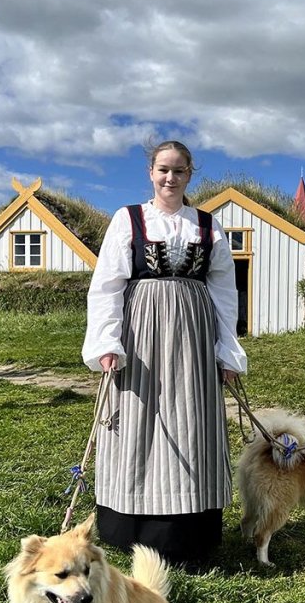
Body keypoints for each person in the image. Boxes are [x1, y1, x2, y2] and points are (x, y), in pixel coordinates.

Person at [81, 140, 247, 565]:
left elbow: (225, 291)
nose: (170, 178)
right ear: (150, 173)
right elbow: (107, 285)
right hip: (141, 338)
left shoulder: (207, 225)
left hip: (193, 336)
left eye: (179, 171)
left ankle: (188, 532)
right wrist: (106, 342)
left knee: (192, 419)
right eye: (163, 170)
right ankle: (128, 527)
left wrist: (226, 349)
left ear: (190, 174)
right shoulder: (128, 219)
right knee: (138, 418)